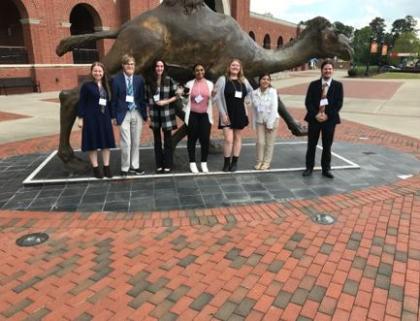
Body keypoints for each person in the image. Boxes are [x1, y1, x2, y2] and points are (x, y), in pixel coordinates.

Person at [302, 59, 343, 178]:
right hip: (314, 119)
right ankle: (309, 167)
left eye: (330, 69)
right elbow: (308, 102)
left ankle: (326, 169)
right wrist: (316, 114)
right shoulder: (313, 85)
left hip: (329, 120)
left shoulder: (338, 86)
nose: (327, 71)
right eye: (325, 69)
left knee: (327, 145)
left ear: (333, 71)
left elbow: (338, 104)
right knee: (311, 144)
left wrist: (327, 115)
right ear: (321, 70)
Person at [214, 58, 253, 172]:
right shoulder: (222, 79)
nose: (235, 67)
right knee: (228, 139)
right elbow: (217, 98)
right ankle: (226, 162)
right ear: (229, 67)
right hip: (226, 113)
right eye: (233, 65)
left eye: (237, 66)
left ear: (240, 68)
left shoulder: (244, 80)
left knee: (237, 138)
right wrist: (223, 114)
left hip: (240, 113)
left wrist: (247, 102)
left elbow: (251, 92)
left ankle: (234, 162)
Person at [77, 62, 115, 179]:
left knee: (106, 144)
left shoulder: (107, 85)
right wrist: (81, 118)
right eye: (95, 71)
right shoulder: (87, 86)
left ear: (103, 73)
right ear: (92, 72)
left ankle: (106, 167)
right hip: (91, 118)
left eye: (100, 71)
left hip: (104, 118)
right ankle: (95, 168)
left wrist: (112, 117)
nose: (97, 73)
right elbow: (82, 103)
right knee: (92, 144)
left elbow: (109, 103)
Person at [111, 54, 147, 177]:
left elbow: (142, 98)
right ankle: (125, 167)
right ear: (123, 66)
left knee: (136, 142)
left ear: (134, 66)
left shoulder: (139, 79)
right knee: (126, 142)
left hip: (137, 112)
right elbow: (113, 100)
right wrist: (113, 116)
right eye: (127, 64)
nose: (130, 66)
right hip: (123, 113)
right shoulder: (116, 80)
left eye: (132, 64)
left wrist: (145, 115)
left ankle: (134, 166)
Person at [145, 59, 179, 173]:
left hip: (167, 114)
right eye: (157, 66)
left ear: (164, 68)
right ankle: (159, 164)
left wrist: (166, 101)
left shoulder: (169, 80)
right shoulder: (150, 82)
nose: (159, 68)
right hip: (154, 114)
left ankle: (168, 164)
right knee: (157, 141)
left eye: (161, 66)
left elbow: (177, 95)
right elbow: (146, 100)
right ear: (154, 68)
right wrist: (148, 116)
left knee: (168, 140)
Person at [184, 64, 214, 174]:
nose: (199, 72)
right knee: (192, 139)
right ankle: (192, 163)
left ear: (204, 71)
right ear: (194, 72)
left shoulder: (210, 84)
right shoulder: (189, 84)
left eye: (201, 70)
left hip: (205, 115)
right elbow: (184, 99)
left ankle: (203, 163)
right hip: (193, 115)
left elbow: (212, 100)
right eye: (197, 70)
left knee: (205, 140)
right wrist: (183, 95)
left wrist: (214, 96)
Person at [251, 74, 280, 170]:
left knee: (269, 143)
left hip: (272, 120)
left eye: (268, 79)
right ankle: (259, 161)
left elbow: (274, 108)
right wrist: (254, 123)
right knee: (260, 142)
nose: (265, 81)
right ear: (260, 80)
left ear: (270, 82)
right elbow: (254, 109)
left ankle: (266, 162)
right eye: (263, 79)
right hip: (260, 121)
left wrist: (270, 123)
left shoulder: (273, 92)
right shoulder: (254, 93)